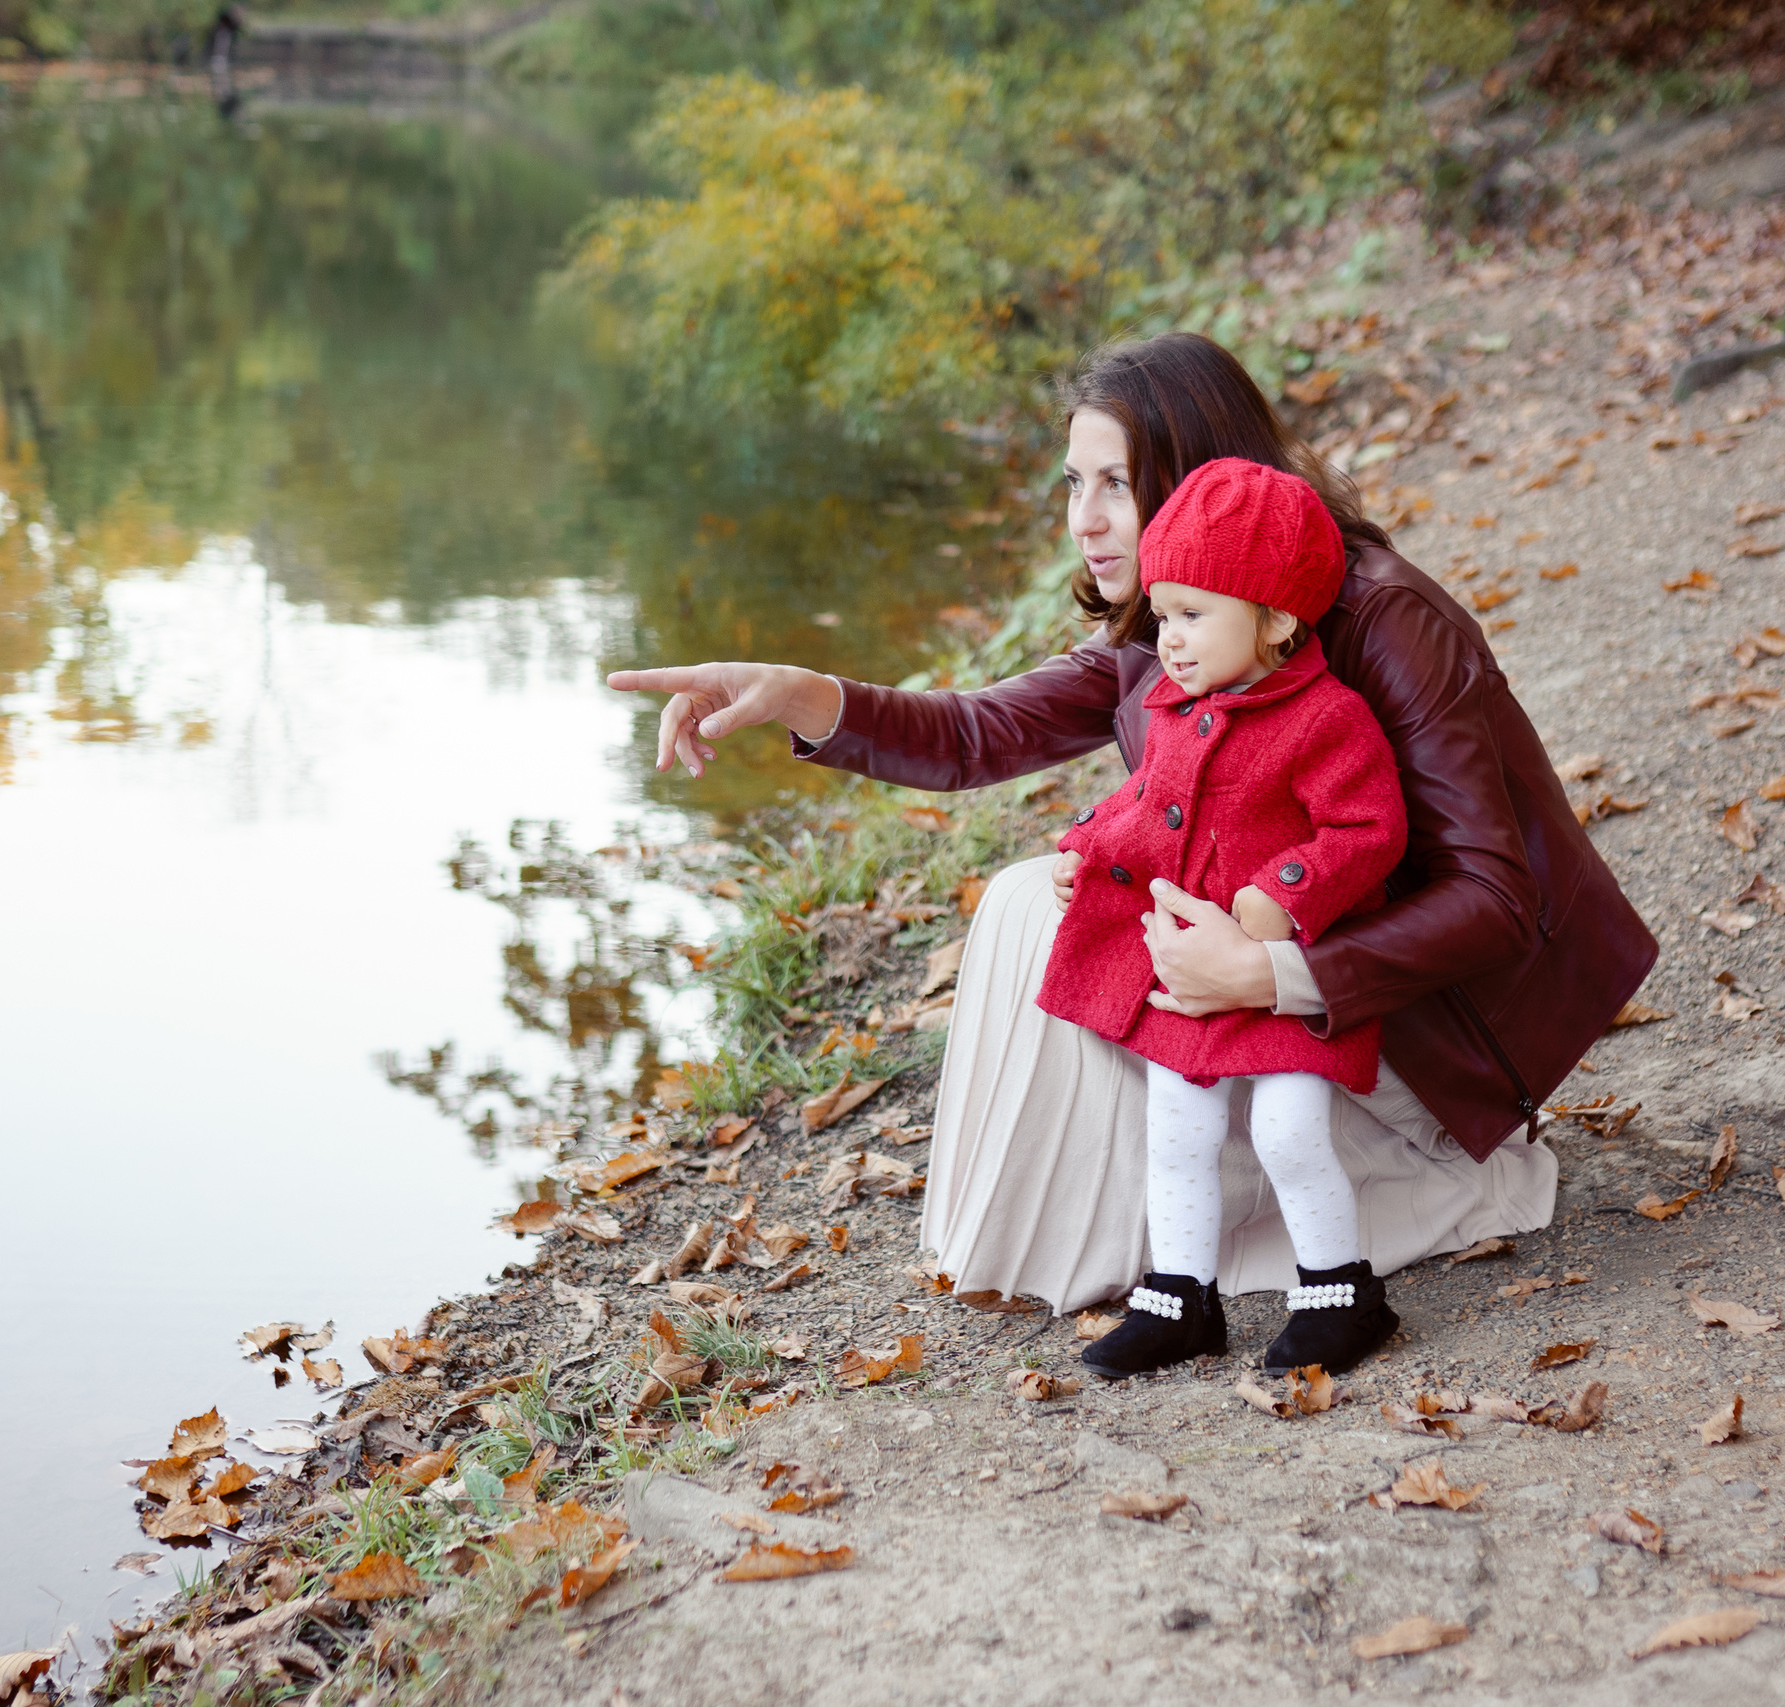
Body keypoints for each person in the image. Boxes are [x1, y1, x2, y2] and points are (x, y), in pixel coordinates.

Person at [607, 332, 1657, 1318]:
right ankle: (1110, 1237)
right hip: (1294, 993)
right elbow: (974, 735)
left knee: (1047, 912)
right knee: (1035, 897)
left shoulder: (1388, 623)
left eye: (1116, 484)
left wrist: (1268, 975)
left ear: (1203, 478)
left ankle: (1417, 1188)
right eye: (1075, 483)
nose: (1085, 518)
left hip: (1434, 1038)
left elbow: (1492, 901)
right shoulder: (1183, 631)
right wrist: (794, 691)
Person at [1042, 456, 1407, 1380]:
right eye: (1163, 615)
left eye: (1194, 615)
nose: (1169, 639)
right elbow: (1143, 800)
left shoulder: (1327, 718)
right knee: (1177, 1131)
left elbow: (1369, 828)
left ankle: (1338, 1292)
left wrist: (1288, 887)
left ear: (1276, 617)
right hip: (1193, 980)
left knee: (1289, 1130)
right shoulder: (1176, 708)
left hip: (1277, 976)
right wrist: (1087, 844)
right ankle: (1180, 1297)